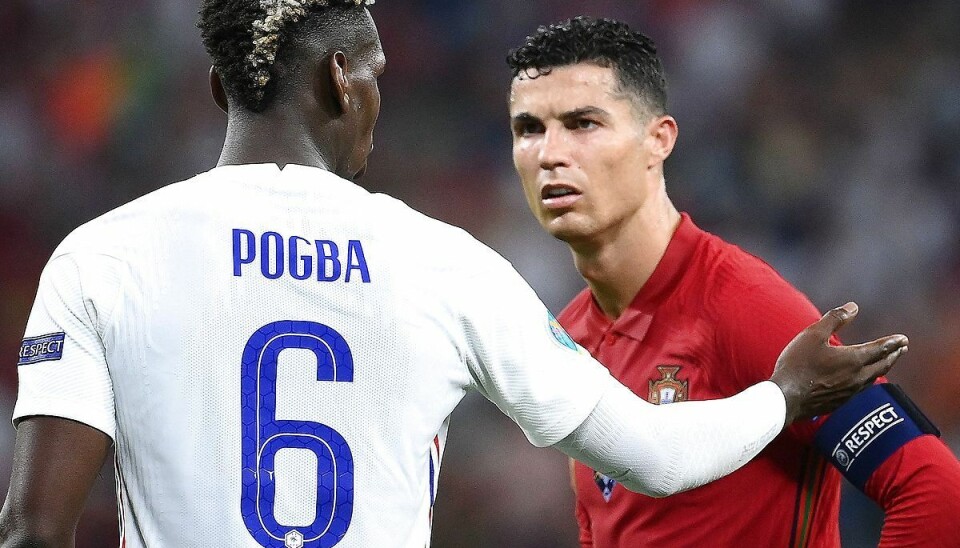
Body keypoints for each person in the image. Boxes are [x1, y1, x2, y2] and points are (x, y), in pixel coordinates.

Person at [0, 3, 907, 547]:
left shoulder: (103, 255)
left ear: (214, 91)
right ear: (343, 79)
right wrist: (782, 397)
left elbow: (35, 527)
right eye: (380, 77)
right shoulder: (441, 261)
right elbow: (657, 457)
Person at [506, 15, 960, 548]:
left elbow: (934, 492)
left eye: (583, 123)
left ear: (658, 140)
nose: (550, 154)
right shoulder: (571, 337)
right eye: (529, 128)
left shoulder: (742, 306)